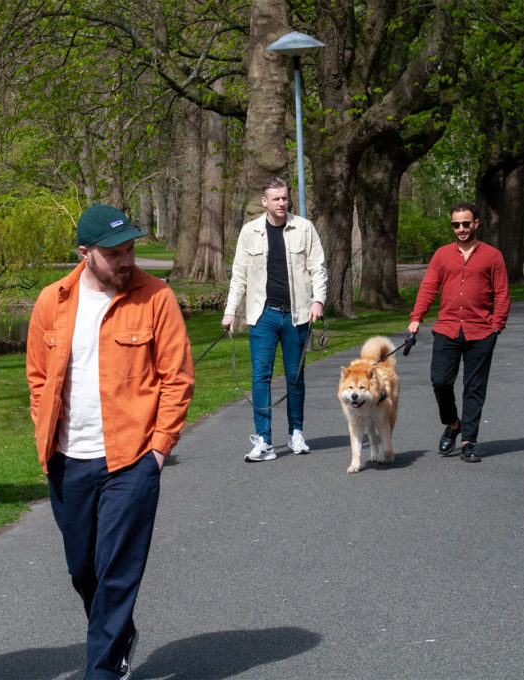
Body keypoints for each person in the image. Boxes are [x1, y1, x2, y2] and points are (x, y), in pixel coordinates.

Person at [26, 204, 194, 680]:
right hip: (67, 460)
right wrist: (45, 435)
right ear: (86, 253)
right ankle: (119, 635)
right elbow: (39, 379)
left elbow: (177, 378)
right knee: (84, 569)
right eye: (116, 253)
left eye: (131, 250)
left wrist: (158, 451)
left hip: (132, 459)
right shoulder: (51, 302)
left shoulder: (156, 298)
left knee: (117, 568)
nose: (127, 261)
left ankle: (101, 669)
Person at [221, 176, 327, 462]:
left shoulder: (304, 228)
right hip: (263, 315)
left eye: (285, 197)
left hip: (297, 314)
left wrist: (318, 300)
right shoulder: (249, 232)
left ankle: (296, 433)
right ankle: (264, 441)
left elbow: (318, 268)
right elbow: (239, 276)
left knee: (295, 377)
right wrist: (230, 311)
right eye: (276, 198)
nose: (282, 203)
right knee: (260, 377)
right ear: (264, 202)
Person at [408, 201, 510, 463]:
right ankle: (453, 424)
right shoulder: (442, 255)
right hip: (448, 328)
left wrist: (497, 325)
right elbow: (429, 287)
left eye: (466, 223)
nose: (461, 229)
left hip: (482, 331)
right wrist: (416, 318)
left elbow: (501, 293)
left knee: (474, 388)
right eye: (456, 225)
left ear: (476, 223)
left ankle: (469, 441)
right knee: (440, 381)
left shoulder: (492, 255)